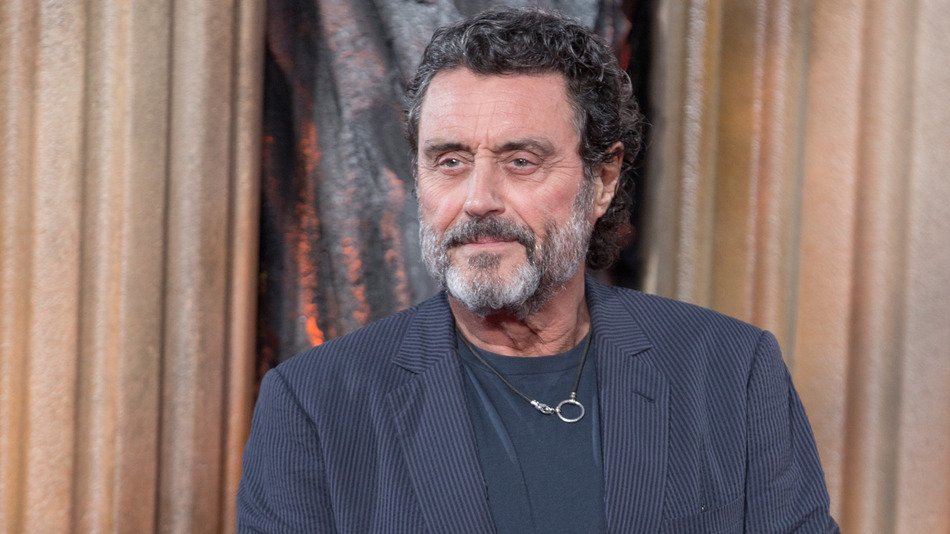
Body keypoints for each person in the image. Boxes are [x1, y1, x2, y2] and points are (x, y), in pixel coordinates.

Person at [238, 8, 838, 533]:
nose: (478, 200)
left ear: (601, 181)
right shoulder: (315, 403)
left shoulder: (732, 372)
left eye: (520, 161)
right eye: (450, 161)